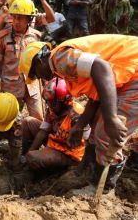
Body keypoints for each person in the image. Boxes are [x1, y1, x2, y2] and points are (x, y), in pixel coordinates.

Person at [19, 35, 138, 195]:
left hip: (133, 73)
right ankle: (86, 172)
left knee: (105, 133)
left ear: (39, 62)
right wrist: (81, 125)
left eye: (35, 74)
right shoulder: (63, 71)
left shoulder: (59, 59)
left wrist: (111, 119)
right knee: (97, 123)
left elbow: (102, 68)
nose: (39, 78)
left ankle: (101, 189)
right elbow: (97, 93)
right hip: (126, 73)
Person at [0, 0, 55, 122]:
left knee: (38, 120)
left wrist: (46, 84)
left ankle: (33, 142)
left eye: (20, 18)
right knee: (8, 120)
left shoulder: (36, 36)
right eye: (14, 17)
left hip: (33, 87)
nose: (16, 21)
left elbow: (43, 63)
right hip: (10, 89)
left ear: (29, 19)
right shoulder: (3, 37)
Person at [22, 77, 90, 170]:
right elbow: (43, 132)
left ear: (63, 101)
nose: (48, 105)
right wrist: (28, 153)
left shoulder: (77, 115)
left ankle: (40, 171)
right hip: (55, 143)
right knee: (27, 122)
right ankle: (26, 157)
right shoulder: (52, 110)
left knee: (32, 157)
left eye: (51, 102)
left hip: (68, 153)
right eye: (48, 102)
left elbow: (87, 143)